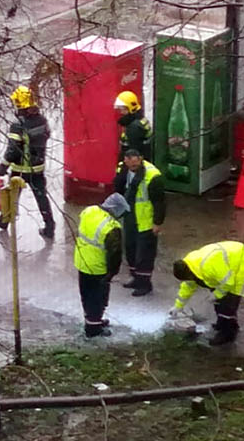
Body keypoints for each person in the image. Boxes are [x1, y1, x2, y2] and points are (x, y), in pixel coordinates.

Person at [0, 85, 55, 238]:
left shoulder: (18, 124)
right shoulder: (41, 119)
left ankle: (4, 220)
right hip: (38, 167)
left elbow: (12, 150)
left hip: (20, 169)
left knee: (11, 195)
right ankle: (50, 226)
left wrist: (2, 168)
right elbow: (47, 135)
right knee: (41, 196)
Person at [170, 241, 244, 346]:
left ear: (189, 273)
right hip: (226, 268)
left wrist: (216, 294)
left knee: (228, 301)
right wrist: (178, 306)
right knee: (219, 301)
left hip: (242, 261)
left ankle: (227, 334)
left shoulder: (208, 265)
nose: (189, 280)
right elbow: (188, 286)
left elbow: (229, 283)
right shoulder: (189, 265)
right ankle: (225, 324)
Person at [74, 193, 129, 338]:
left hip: (81, 260)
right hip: (97, 267)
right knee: (97, 298)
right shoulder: (111, 227)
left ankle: (93, 321)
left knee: (86, 295)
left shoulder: (90, 210)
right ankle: (93, 329)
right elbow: (115, 254)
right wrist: (112, 272)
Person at [113, 148, 165, 296]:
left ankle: (145, 284)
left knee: (145, 254)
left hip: (146, 221)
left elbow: (160, 202)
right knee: (130, 249)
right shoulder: (124, 169)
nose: (133, 167)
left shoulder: (153, 176)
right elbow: (119, 189)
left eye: (136, 164)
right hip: (130, 216)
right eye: (131, 164)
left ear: (141, 159)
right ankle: (136, 278)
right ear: (126, 161)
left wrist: (157, 222)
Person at [114, 91, 153, 162]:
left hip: (133, 164)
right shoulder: (141, 120)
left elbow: (133, 153)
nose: (121, 112)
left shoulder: (134, 127)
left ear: (131, 108)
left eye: (123, 109)